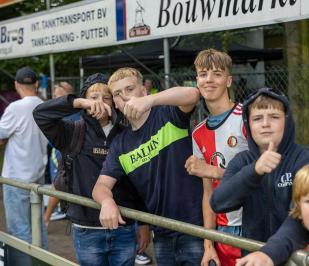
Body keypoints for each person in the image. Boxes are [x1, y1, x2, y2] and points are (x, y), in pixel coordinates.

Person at [33, 73, 150, 266]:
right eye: (93, 97)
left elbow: (138, 179)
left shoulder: (127, 133)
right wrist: (78, 103)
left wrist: (144, 224)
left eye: (106, 97)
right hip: (85, 229)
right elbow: (40, 114)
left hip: (124, 227)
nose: (100, 103)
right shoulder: (71, 131)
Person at [92, 67, 204, 265]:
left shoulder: (167, 113)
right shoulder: (120, 144)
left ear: (143, 91)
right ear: (115, 104)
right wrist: (107, 202)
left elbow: (194, 94)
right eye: (117, 94)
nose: (124, 97)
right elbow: (100, 186)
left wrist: (151, 100)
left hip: (195, 228)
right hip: (161, 233)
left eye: (129, 89)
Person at [210, 87, 309, 265]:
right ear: (248, 124)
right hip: (254, 258)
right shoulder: (242, 161)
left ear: (287, 120)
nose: (265, 123)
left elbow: (303, 217)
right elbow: (218, 202)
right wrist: (254, 171)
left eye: (274, 117)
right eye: (257, 118)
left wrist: (270, 252)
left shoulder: (305, 159)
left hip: (296, 258)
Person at [185, 49, 248, 266]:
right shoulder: (198, 132)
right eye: (203, 74)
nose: (209, 79)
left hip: (256, 225)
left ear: (228, 80)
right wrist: (208, 244)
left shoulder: (248, 118)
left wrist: (215, 171)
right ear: (197, 81)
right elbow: (208, 193)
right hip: (224, 231)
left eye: (217, 74)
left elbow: (267, 175)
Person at [0, 66, 49, 265]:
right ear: (36, 84)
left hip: (16, 179)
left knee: (19, 231)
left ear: (16, 84)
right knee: (38, 228)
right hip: (37, 176)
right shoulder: (44, 105)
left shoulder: (15, 108)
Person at [45, 81, 80, 225]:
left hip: (64, 152)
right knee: (61, 182)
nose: (55, 97)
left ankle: (46, 218)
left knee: (59, 182)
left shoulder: (76, 110)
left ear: (67, 93)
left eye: (58, 94)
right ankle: (53, 214)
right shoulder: (63, 111)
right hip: (61, 150)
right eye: (54, 95)